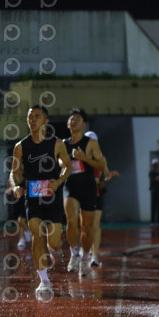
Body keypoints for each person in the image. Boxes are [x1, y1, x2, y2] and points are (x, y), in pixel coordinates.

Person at [10, 105, 73, 298]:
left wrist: (59, 182)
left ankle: (54, 248)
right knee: (37, 237)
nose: (32, 120)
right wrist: (15, 186)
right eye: (30, 117)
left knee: (54, 244)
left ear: (46, 121)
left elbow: (68, 167)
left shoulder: (57, 143)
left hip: (52, 197)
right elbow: (14, 172)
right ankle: (44, 281)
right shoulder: (21, 146)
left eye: (37, 117)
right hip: (33, 197)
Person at [62, 108, 106, 276]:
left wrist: (84, 158)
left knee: (87, 228)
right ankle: (74, 254)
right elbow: (58, 161)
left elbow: (101, 165)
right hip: (70, 186)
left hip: (88, 188)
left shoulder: (91, 143)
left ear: (84, 124)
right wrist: (63, 162)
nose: (74, 121)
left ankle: (85, 257)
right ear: (68, 123)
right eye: (71, 119)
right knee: (71, 220)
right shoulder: (63, 144)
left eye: (78, 119)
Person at [83, 131, 119, 267]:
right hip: (82, 193)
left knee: (95, 226)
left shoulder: (101, 158)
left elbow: (106, 175)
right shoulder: (79, 157)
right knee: (84, 226)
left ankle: (94, 256)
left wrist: (108, 177)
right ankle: (84, 251)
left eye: (93, 142)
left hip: (96, 193)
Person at [5, 177, 31, 249]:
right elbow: (7, 190)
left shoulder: (26, 177)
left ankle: (27, 232)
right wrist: (11, 190)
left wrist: (23, 191)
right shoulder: (12, 178)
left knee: (21, 220)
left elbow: (31, 188)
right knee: (18, 222)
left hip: (24, 201)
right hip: (15, 201)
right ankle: (21, 239)